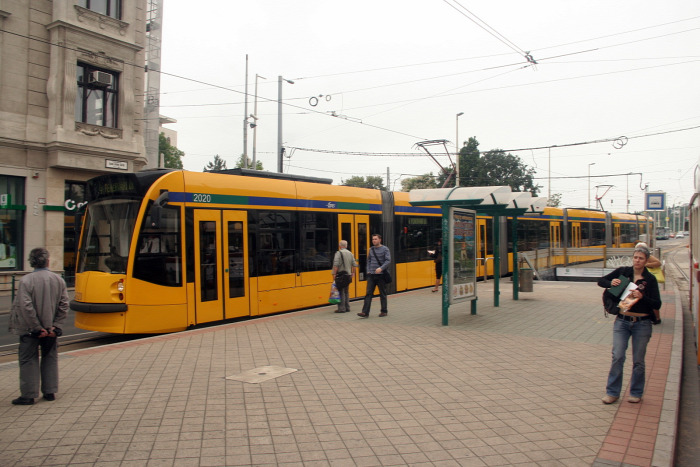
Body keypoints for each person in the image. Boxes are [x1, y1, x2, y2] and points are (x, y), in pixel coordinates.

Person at [597, 244, 661, 405]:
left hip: (642, 323)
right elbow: (601, 281)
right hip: (622, 322)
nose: (637, 261)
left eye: (641, 258)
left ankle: (636, 392)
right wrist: (612, 282)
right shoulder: (624, 272)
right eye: (635, 257)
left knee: (638, 360)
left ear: (646, 261)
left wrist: (641, 296)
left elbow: (657, 304)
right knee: (617, 356)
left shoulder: (650, 280)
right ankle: (612, 392)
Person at [8, 248, 69, 405]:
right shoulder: (58, 280)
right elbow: (64, 304)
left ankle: (28, 394)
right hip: (50, 330)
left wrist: (36, 327)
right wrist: (55, 326)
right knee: (50, 357)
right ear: (47, 261)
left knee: (28, 359)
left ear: (31, 262)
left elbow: (25, 306)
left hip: (30, 330)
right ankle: (50, 391)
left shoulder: (26, 281)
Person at [358, 234, 391, 318]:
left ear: (380, 240)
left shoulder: (385, 249)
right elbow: (368, 261)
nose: (374, 241)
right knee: (368, 294)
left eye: (375, 239)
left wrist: (381, 268)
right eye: (373, 239)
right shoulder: (371, 249)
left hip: (381, 275)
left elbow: (388, 261)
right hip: (371, 275)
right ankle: (365, 312)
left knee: (382, 293)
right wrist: (368, 270)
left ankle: (384, 311)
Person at [331, 240, 356, 313]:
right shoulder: (350, 253)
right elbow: (354, 265)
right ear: (346, 246)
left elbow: (335, 265)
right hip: (348, 275)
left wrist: (334, 274)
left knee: (341, 291)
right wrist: (353, 273)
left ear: (340, 246)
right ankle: (347, 307)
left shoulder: (338, 253)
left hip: (340, 275)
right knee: (346, 291)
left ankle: (341, 309)